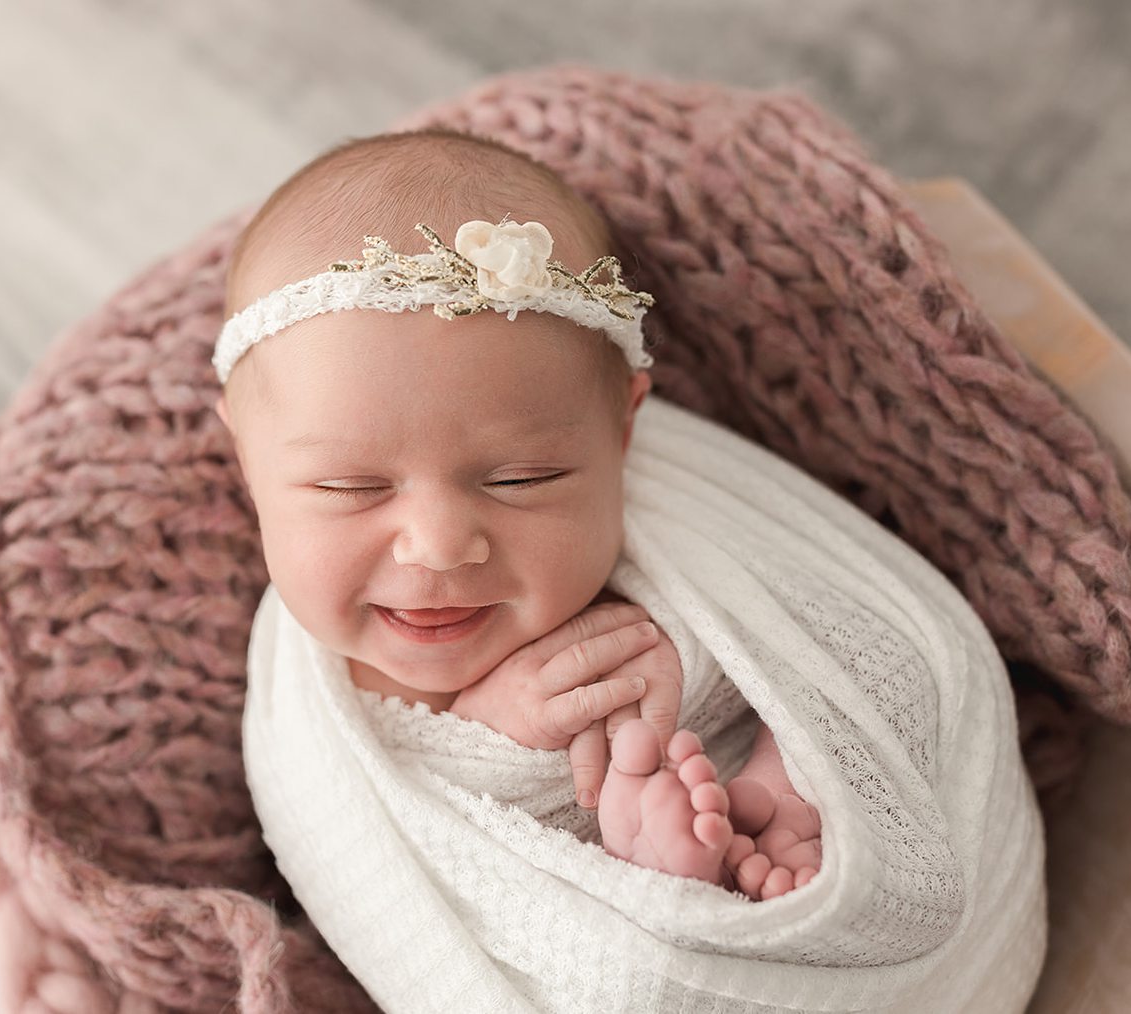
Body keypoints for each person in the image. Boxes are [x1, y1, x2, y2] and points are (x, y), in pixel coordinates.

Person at [212, 126, 821, 900]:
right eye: (350, 488)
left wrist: (736, 698)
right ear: (247, 457)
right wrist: (490, 741)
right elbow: (372, 874)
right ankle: (659, 880)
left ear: (623, 429)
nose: (437, 547)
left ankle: (764, 814)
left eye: (522, 480)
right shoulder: (297, 700)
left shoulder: (683, 509)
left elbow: (832, 627)